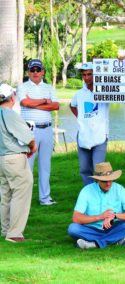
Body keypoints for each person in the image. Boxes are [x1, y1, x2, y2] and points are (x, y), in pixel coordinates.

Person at [68, 162, 125, 249]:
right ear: (97, 180)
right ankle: (115, 240)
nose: (108, 183)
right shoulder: (86, 191)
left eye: (111, 180)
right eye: (104, 181)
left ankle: (93, 244)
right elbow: (76, 218)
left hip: (114, 227)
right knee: (73, 228)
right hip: (91, 229)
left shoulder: (120, 190)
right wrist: (99, 217)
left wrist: (114, 216)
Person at [17, 59, 59, 206]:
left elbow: (56, 106)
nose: (35, 73)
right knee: (27, 166)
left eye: (38, 70)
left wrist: (35, 103)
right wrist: (44, 101)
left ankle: (45, 198)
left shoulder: (49, 87)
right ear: (28, 72)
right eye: (32, 70)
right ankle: (23, 200)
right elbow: (25, 103)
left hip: (47, 129)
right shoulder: (22, 87)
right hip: (30, 130)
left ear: (43, 72)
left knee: (45, 166)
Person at [0, 83, 36, 243]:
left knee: (5, 193)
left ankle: (5, 229)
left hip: (2, 158)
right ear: (12, 97)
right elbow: (28, 136)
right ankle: (14, 233)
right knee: (21, 190)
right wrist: (32, 147)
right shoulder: (9, 114)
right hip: (14, 157)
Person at [70, 63, 110, 185]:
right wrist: (81, 117)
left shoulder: (104, 90)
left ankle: (102, 193)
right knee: (84, 169)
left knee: (99, 169)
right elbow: (72, 106)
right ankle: (89, 193)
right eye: (84, 75)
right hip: (83, 135)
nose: (87, 77)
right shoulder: (80, 93)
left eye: (89, 74)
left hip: (100, 135)